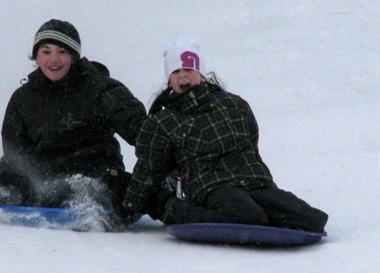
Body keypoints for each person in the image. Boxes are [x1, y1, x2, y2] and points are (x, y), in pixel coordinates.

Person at [0, 19, 147, 230]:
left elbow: (141, 132)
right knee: (14, 184)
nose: (54, 59)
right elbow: (15, 156)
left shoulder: (100, 90)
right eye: (46, 51)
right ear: (37, 57)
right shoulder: (23, 99)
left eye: (62, 52)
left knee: (104, 188)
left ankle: (92, 211)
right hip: (47, 178)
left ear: (74, 56)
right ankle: (63, 202)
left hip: (94, 172)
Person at [123, 36, 328, 233]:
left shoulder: (235, 105)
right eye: (176, 72)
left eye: (189, 69)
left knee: (311, 219)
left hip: (255, 183)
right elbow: (148, 169)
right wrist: (131, 206)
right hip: (211, 188)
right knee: (247, 217)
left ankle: (258, 213)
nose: (183, 75)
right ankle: (178, 211)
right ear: (170, 82)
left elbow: (251, 148)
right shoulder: (163, 122)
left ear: (201, 75)